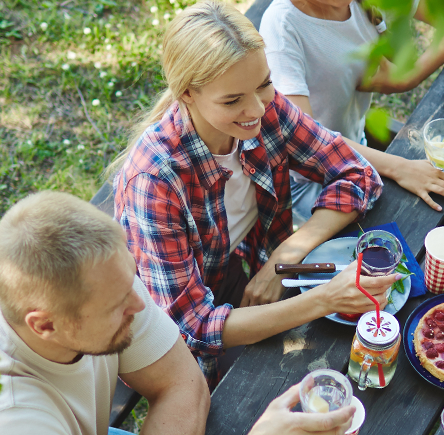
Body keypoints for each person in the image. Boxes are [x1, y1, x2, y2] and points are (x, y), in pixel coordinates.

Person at [111, 1, 401, 384]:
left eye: (265, 83)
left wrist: (285, 258)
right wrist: (324, 299)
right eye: (232, 100)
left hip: (234, 272)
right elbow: (195, 326)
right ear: (187, 95)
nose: (257, 108)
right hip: (162, 335)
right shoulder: (155, 183)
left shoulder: (263, 105)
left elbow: (355, 173)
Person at [0, 192, 357, 435]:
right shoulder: (5, 419)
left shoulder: (95, 278)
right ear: (43, 325)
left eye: (131, 280)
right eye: (117, 305)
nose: (141, 304)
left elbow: (184, 383)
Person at [259, 0, 444, 212]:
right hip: (310, 181)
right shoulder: (282, 29)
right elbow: (304, 141)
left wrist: (407, 78)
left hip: (358, 149)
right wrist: (400, 168)